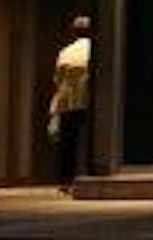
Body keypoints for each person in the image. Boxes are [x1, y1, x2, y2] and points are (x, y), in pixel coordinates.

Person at [47, 16, 90, 191]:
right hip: (87, 101)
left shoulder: (65, 52)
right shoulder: (95, 50)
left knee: (68, 145)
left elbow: (57, 80)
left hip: (67, 103)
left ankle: (66, 180)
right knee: (89, 144)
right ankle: (88, 176)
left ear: (73, 32)